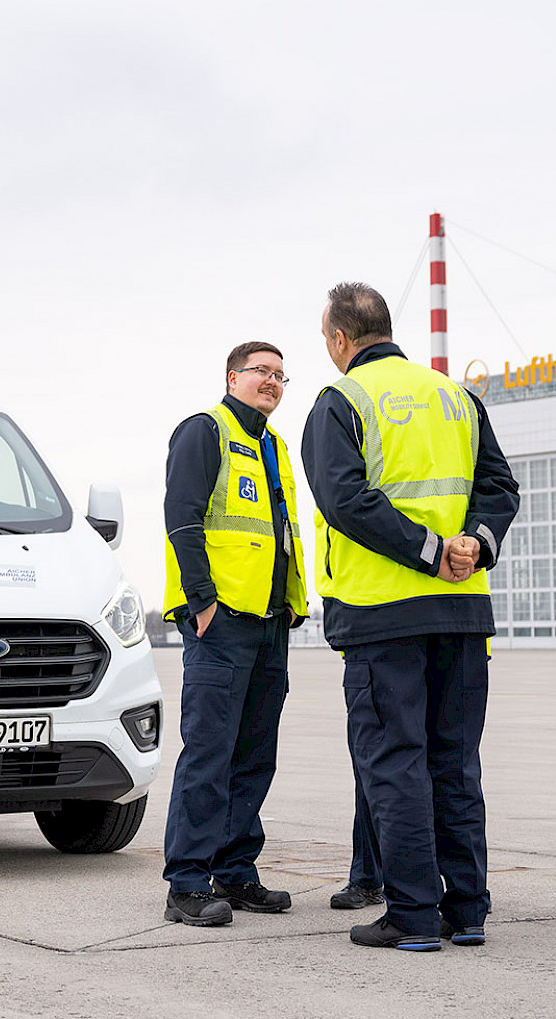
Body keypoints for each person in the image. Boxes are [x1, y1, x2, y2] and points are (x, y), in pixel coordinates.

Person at [301, 282, 520, 952]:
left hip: (382, 612)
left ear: (340, 339)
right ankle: (469, 910)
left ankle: (414, 914)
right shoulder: (457, 397)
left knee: (396, 761)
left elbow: (345, 499)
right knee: (455, 762)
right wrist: (475, 543)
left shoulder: (340, 402)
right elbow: (499, 487)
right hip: (460, 612)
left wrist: (427, 551)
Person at [159, 341, 309, 927]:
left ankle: (236, 872)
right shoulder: (206, 430)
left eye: (280, 375)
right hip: (221, 625)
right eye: (261, 372)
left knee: (253, 756)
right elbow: (183, 518)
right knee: (209, 753)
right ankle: (187, 884)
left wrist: (292, 607)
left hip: (270, 622)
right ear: (232, 376)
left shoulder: (271, 445)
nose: (271, 381)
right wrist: (202, 604)